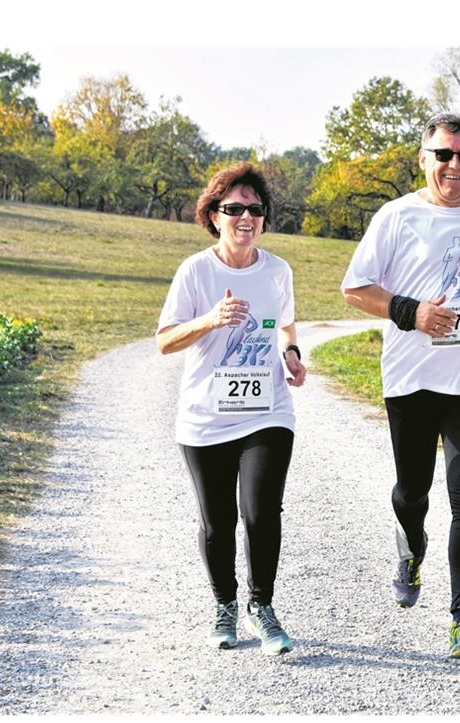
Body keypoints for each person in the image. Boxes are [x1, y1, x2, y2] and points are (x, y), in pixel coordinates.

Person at [341, 113, 460, 660]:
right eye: (444, 155)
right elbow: (354, 289)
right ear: (424, 159)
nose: (454, 166)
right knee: (412, 492)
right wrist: (411, 312)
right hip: (412, 381)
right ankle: (411, 549)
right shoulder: (397, 217)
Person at [156, 162, 306, 656]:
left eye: (255, 209)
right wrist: (209, 319)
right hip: (205, 417)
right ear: (214, 215)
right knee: (218, 522)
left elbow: (285, 326)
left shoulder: (277, 271)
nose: (246, 217)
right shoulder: (196, 271)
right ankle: (225, 605)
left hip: (267, 411)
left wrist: (291, 354)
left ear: (264, 218)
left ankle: (262, 607)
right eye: (234, 208)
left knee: (262, 512)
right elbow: (164, 342)